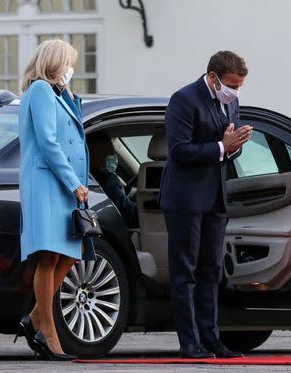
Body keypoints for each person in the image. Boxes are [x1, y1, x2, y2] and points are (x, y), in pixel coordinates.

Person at [160, 51, 253, 359]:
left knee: (211, 270)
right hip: (185, 198)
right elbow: (180, 150)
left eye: (240, 86)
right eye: (232, 85)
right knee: (185, 272)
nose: (236, 92)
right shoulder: (184, 99)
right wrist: (220, 146)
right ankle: (189, 343)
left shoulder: (232, 102)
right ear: (213, 78)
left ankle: (211, 338)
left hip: (216, 197)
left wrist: (233, 146)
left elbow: (229, 152)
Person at [17, 39, 92, 360]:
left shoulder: (57, 94)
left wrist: (71, 100)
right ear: (54, 63)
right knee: (49, 256)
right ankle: (47, 330)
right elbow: (48, 141)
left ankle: (35, 317)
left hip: (60, 185)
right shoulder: (40, 91)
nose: (70, 70)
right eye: (68, 63)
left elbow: (72, 132)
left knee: (70, 253)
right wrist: (74, 183)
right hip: (49, 182)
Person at [87, 132, 139, 228]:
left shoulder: (89, 176)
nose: (113, 155)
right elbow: (130, 216)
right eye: (110, 151)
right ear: (98, 155)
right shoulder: (109, 181)